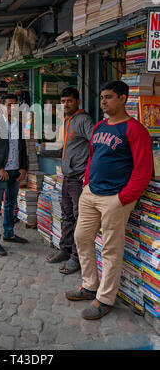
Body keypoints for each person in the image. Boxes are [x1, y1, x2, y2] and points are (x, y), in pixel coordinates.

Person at [66, 80, 153, 320]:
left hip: (115, 198)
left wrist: (123, 198)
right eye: (102, 97)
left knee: (110, 249)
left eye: (109, 97)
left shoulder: (135, 130)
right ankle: (89, 285)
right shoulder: (100, 127)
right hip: (91, 193)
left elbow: (143, 170)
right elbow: (93, 157)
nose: (103, 101)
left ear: (123, 98)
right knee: (81, 237)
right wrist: (86, 183)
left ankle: (105, 299)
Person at [47, 87, 95, 275]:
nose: (65, 104)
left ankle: (76, 258)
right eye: (63, 101)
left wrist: (88, 172)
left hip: (79, 179)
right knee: (67, 216)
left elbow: (96, 144)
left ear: (78, 101)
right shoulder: (66, 121)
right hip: (67, 177)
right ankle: (64, 250)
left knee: (79, 218)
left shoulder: (84, 120)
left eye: (69, 101)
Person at [0, 94, 29, 256]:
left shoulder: (19, 125)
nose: (12, 108)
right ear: (3, 107)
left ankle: (9, 233)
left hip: (15, 171)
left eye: (15, 105)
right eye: (9, 105)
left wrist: (23, 168)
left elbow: (23, 149)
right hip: (0, 173)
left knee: (10, 204)